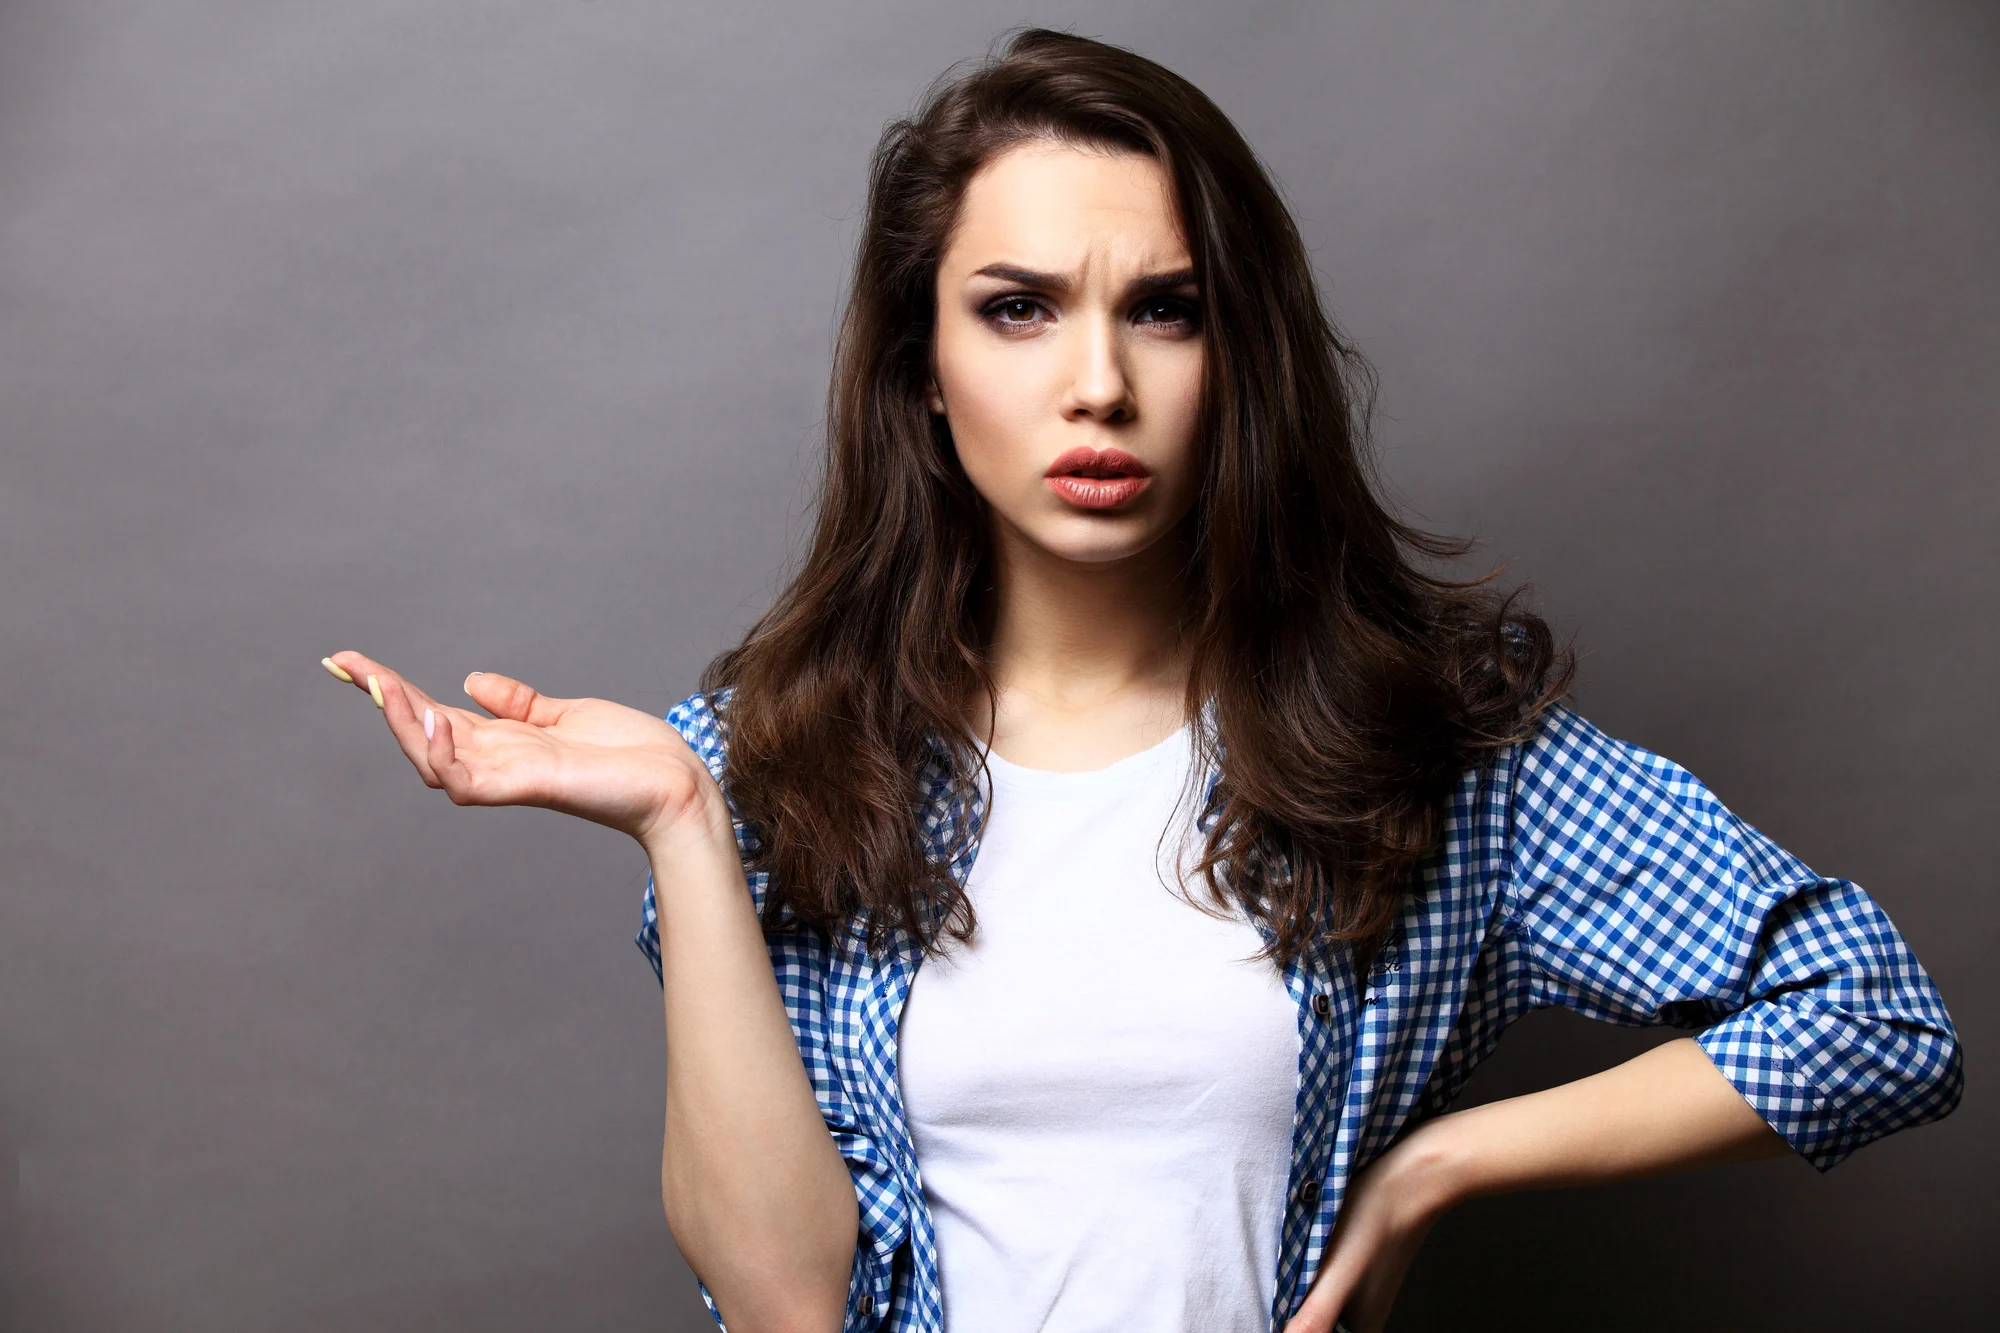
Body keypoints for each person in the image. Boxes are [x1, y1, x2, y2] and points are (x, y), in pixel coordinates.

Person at [319, 27, 1962, 1333]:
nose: (1096, 384)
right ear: (926, 371)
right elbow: (783, 1303)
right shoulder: (765, 766)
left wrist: (1445, 1166)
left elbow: (1876, 1019)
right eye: (1019, 310)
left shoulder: (1417, 756)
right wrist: (680, 816)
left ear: (1239, 358)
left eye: (1165, 311)